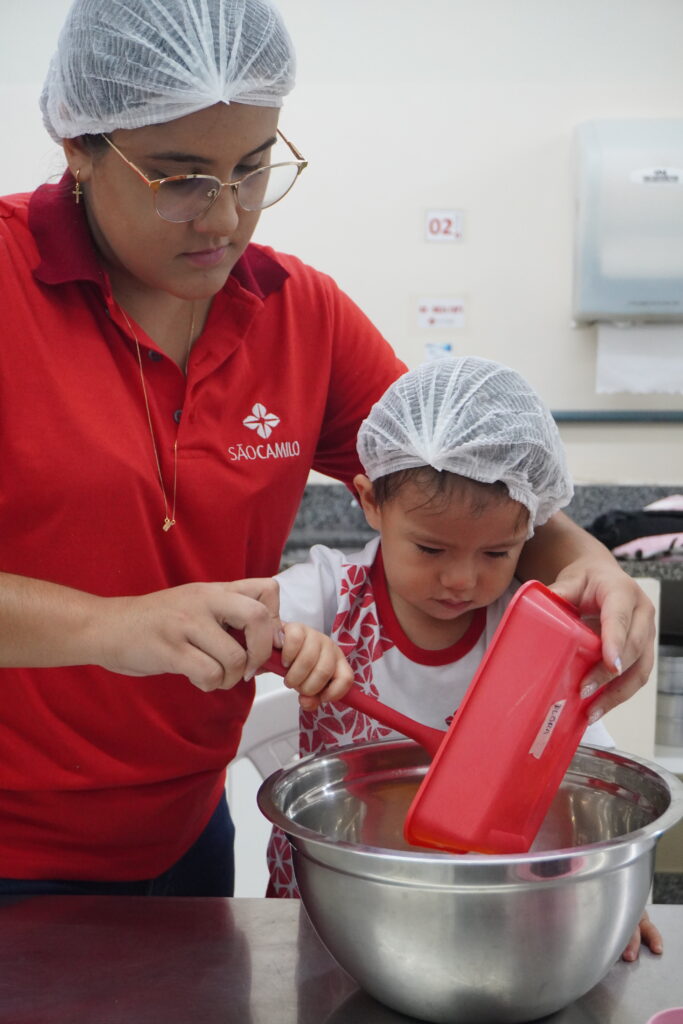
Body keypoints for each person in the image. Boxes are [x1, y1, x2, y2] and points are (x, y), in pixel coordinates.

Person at [0, 0, 654, 898]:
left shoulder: (299, 316)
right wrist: (110, 628)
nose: (224, 219)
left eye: (252, 167)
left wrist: (592, 569)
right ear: (78, 143)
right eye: (179, 178)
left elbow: (464, 477)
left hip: (181, 834)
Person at [267, 357, 661, 961]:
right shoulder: (328, 595)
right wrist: (290, 641)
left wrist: (613, 892)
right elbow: (233, 624)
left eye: (497, 553)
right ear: (370, 502)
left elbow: (587, 776)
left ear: (531, 530)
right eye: (430, 548)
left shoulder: (529, 631)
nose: (461, 579)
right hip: (333, 914)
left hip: (488, 920)